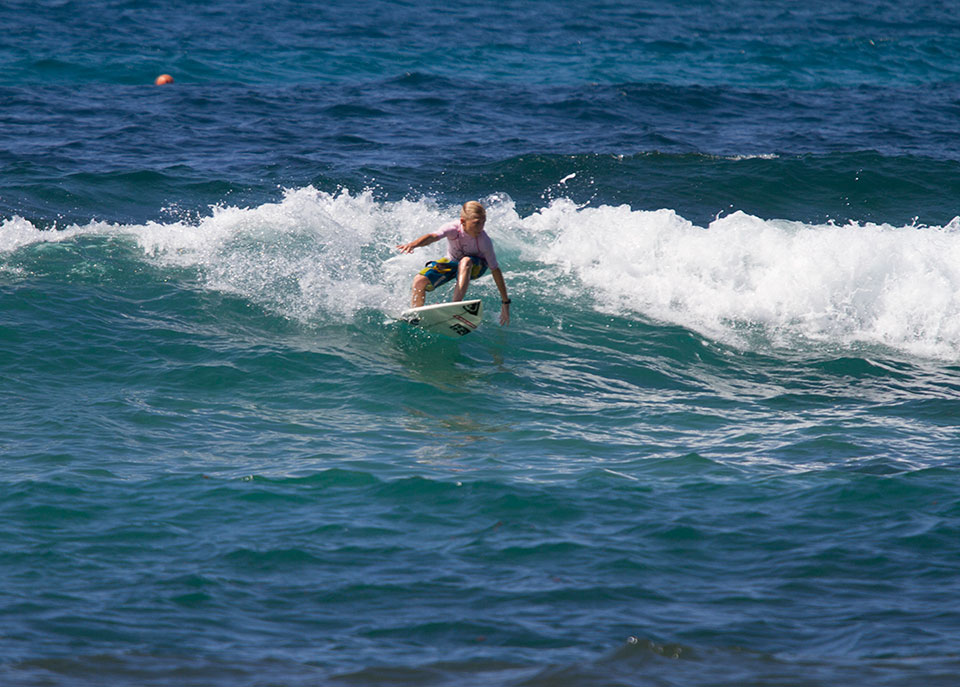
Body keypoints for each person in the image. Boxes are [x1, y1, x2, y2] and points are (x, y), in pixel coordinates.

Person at [396, 201, 511, 326]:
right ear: (463, 221)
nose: (481, 227)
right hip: (453, 262)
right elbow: (433, 236)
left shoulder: (484, 241)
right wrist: (413, 244)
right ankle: (415, 315)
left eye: (483, 222)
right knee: (419, 280)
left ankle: (454, 306)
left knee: (465, 261)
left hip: (476, 267)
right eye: (477, 223)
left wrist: (505, 302)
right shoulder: (453, 229)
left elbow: (495, 270)